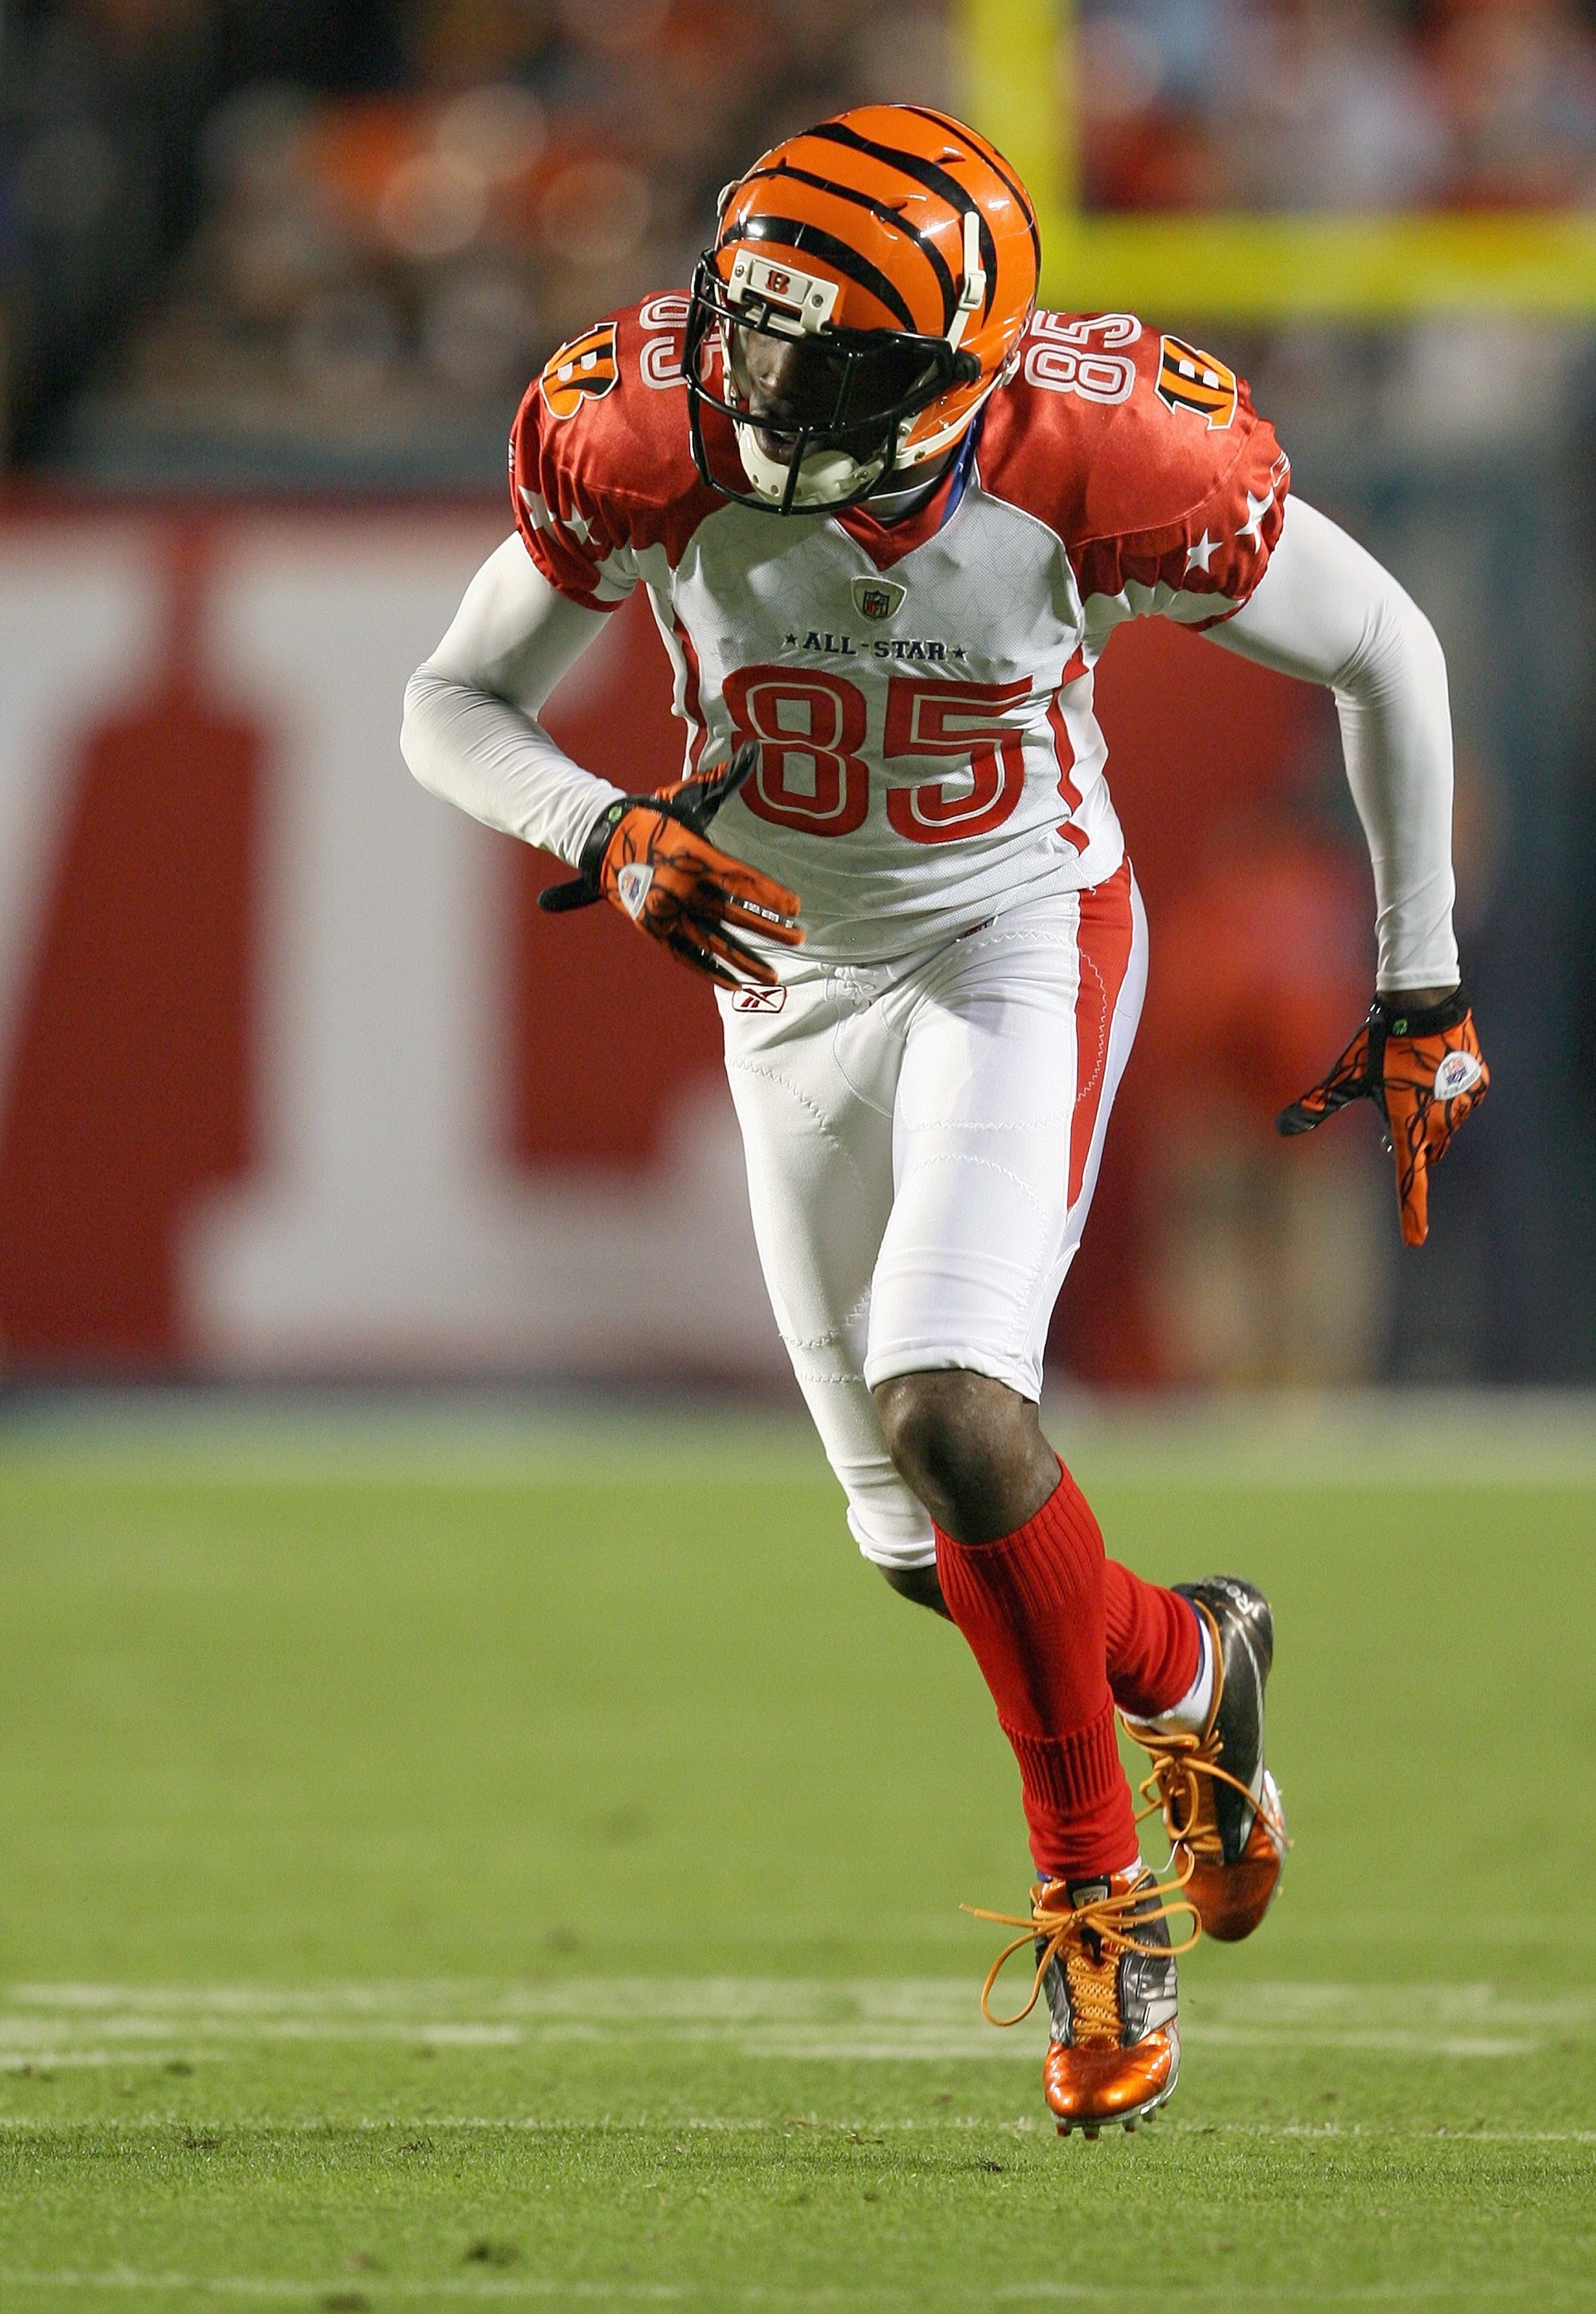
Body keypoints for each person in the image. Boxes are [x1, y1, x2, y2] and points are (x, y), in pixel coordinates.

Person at [400, 104, 1487, 2136]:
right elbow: (450, 704)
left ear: (952, 377)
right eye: (748, 327)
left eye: (820, 358)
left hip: (1014, 941)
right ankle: (1188, 1663)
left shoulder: (1105, 456)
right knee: (932, 1546)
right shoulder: (645, 428)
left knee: (958, 1411)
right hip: (781, 979)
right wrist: (605, 826)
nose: (755, 381)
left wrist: (1419, 973)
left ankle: (1097, 1913)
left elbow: (1386, 649)